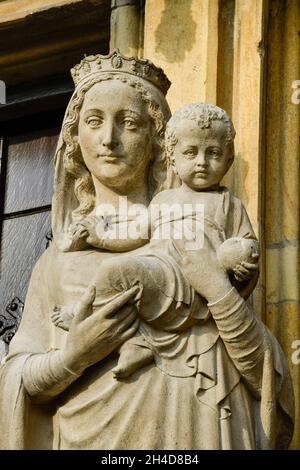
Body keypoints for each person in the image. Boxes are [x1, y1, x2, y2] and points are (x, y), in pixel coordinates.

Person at [0, 51, 294, 450]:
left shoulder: (198, 230)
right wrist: (75, 355)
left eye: (130, 122)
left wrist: (218, 291)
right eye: (94, 121)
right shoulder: (58, 261)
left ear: (159, 140)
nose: (109, 139)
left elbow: (266, 378)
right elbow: (21, 375)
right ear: (75, 139)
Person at [50, 103, 260, 380]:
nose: (201, 162)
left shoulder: (227, 203)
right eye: (190, 152)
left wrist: (246, 267)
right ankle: (134, 344)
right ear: (172, 157)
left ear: (229, 159)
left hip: (192, 284)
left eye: (213, 153)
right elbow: (136, 236)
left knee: (124, 276)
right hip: (157, 272)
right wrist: (98, 237)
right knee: (114, 273)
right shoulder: (163, 200)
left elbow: (247, 246)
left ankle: (95, 319)